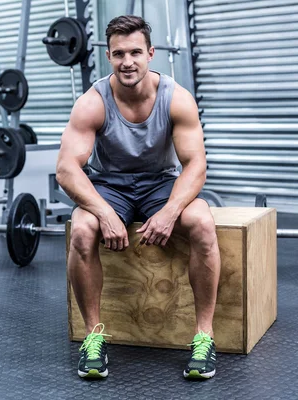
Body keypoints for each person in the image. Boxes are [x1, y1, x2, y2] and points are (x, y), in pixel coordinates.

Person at [55, 15, 221, 380]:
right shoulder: (92, 103)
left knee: (203, 223)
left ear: (150, 53)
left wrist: (170, 212)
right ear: (109, 57)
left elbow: (195, 165)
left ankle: (204, 336)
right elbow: (67, 169)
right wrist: (104, 213)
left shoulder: (176, 99)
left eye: (134, 52)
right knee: (82, 229)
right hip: (109, 187)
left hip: (160, 184)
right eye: (118, 54)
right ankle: (92, 337)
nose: (127, 61)